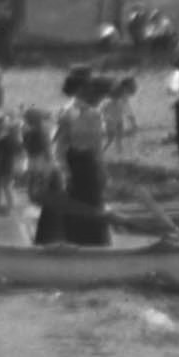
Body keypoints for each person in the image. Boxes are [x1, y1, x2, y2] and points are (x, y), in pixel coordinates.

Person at [49, 67, 113, 246]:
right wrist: (64, 171)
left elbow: (96, 146)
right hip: (76, 165)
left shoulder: (93, 113)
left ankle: (93, 245)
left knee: (93, 207)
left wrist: (101, 169)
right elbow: (59, 145)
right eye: (89, 89)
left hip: (87, 165)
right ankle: (81, 245)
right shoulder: (67, 113)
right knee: (80, 208)